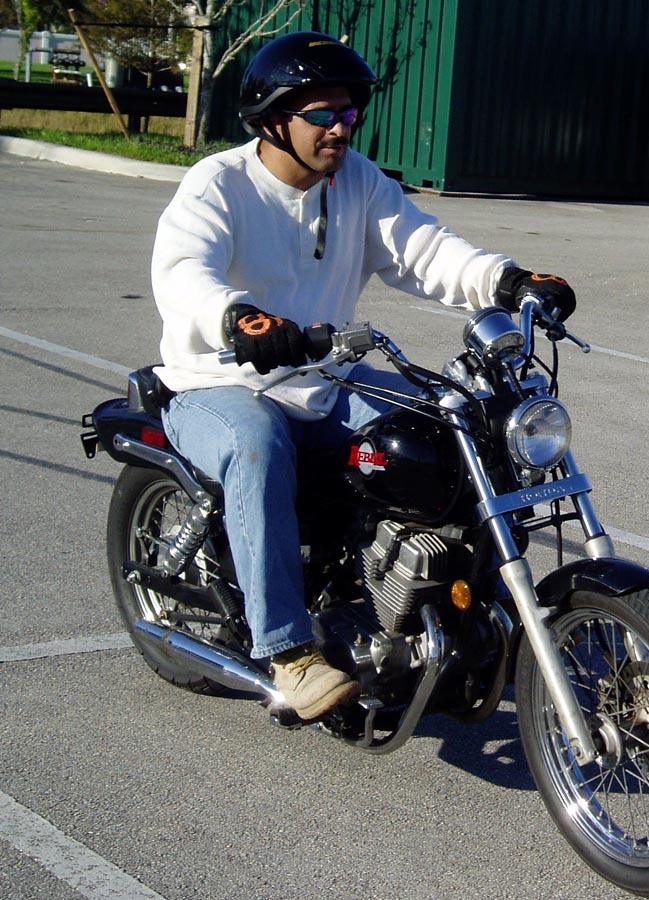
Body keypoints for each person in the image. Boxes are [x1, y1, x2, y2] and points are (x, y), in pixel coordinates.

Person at [150, 31, 576, 721]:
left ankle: (466, 603)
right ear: (273, 120)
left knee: (452, 423)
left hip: (326, 380)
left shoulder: (357, 183)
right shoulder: (218, 183)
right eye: (321, 114)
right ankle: (289, 653)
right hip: (218, 382)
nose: (340, 128)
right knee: (257, 444)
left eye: (348, 113)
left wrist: (507, 280)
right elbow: (183, 272)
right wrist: (237, 319)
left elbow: (423, 250)